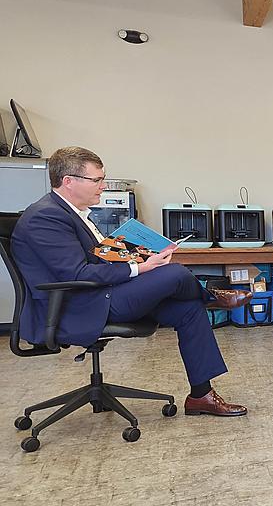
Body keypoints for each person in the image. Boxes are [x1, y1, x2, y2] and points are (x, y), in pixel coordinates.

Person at [11, 146, 248, 416]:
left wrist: (139, 254)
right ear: (68, 181)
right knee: (175, 273)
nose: (103, 186)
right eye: (97, 180)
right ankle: (212, 298)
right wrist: (141, 267)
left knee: (188, 310)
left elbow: (96, 260)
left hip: (99, 295)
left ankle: (201, 396)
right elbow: (77, 274)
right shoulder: (46, 217)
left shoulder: (71, 213)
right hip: (79, 306)